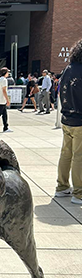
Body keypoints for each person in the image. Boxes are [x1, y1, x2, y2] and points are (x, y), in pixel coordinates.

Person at [55, 40, 82, 205]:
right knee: (79, 155)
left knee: (66, 153)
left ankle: (62, 186)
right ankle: (79, 193)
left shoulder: (67, 69)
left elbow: (59, 92)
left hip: (66, 118)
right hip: (80, 119)